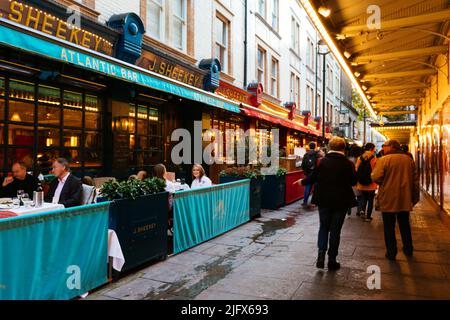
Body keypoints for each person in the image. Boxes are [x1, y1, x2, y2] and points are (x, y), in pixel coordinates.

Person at [295, 137, 357, 271]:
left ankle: (320, 257)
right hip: (341, 200)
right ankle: (332, 260)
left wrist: (302, 182)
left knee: (323, 227)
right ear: (343, 148)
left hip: (323, 199)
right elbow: (353, 182)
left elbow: (313, 177)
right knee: (335, 230)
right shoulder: (349, 164)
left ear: (329, 147)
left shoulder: (322, 162)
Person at [371, 140, 420, 261]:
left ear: (391, 147)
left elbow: (376, 177)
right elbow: (415, 180)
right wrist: (414, 197)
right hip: (404, 197)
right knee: (404, 224)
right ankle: (408, 248)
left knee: (389, 226)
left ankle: (391, 252)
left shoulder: (384, 159)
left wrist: (385, 182)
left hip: (388, 197)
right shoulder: (408, 160)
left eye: (384, 146)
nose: (383, 148)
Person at [355, 143, 378, 222]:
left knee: (364, 198)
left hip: (361, 183)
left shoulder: (359, 158)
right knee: (371, 200)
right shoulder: (374, 158)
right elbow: (376, 171)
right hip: (371, 183)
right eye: (374, 148)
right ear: (371, 148)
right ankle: (368, 217)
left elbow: (356, 169)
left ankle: (362, 211)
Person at [347, 144, 364, 216]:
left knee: (350, 195)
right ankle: (359, 210)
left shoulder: (348, 159)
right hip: (358, 179)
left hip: (350, 179)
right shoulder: (360, 159)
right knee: (360, 196)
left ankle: (349, 209)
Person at [301, 142, 319, 208]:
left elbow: (302, 165)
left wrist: (305, 172)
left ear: (309, 146)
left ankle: (305, 202)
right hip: (315, 174)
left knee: (307, 187)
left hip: (308, 174)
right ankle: (314, 202)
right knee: (315, 188)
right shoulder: (317, 154)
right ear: (315, 147)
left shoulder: (306, 154)